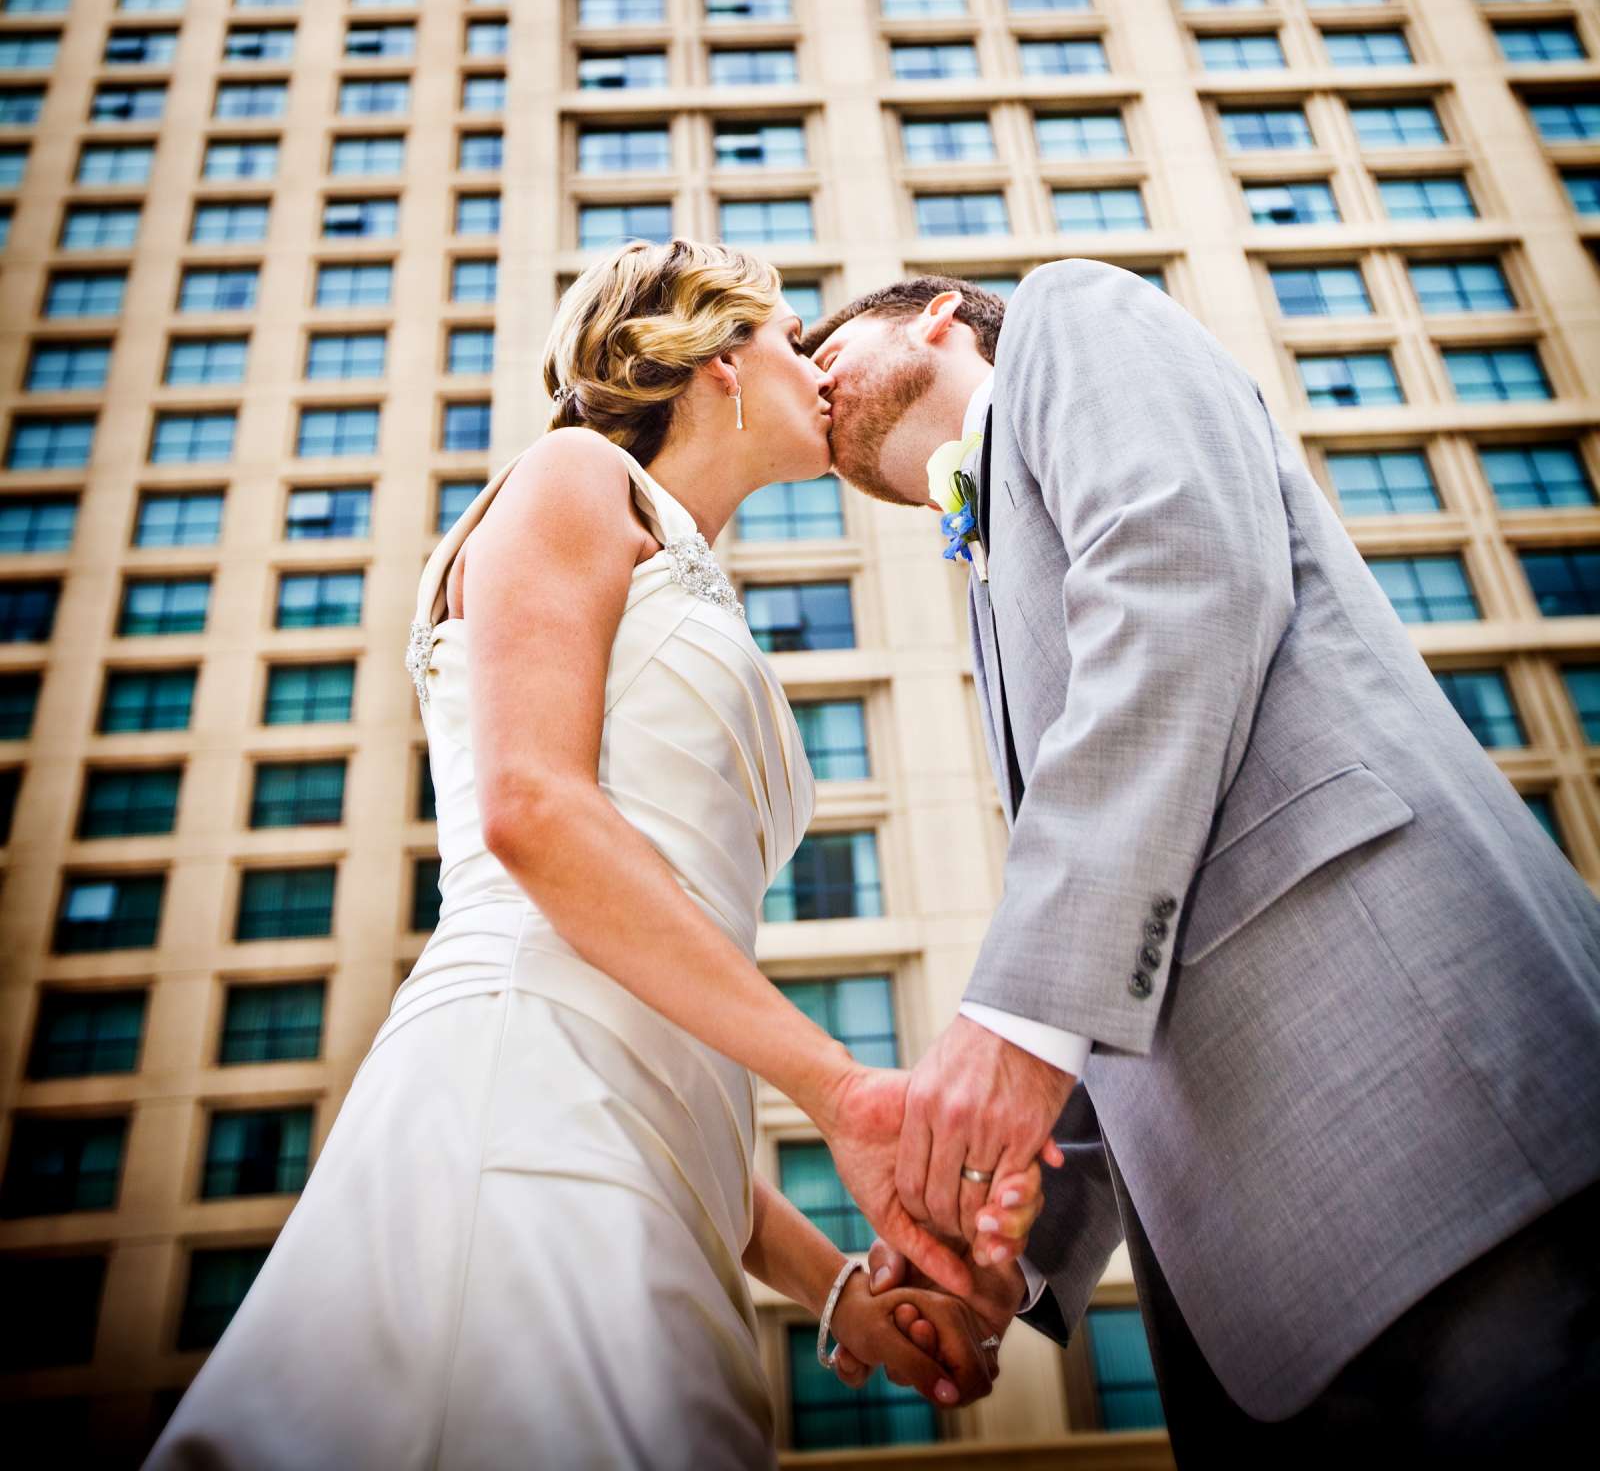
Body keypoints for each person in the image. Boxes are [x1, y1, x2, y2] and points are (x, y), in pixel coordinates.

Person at [149, 241, 1041, 1471]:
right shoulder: (575, 476)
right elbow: (532, 809)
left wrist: (834, 1291)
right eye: (794, 339)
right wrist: (844, 1089)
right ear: (718, 358)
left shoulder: (688, 566)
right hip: (520, 1081)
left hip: (656, 1140)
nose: (821, 366)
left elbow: (664, 1012)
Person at [805, 262, 1600, 1463]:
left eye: (828, 347)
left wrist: (1013, 1016)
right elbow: (1126, 909)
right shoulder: (974, 576)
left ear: (935, 318)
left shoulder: (1072, 315)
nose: (809, 380)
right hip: (1250, 1303)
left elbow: (1180, 577)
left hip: (1435, 1123)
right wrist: (990, 1248)